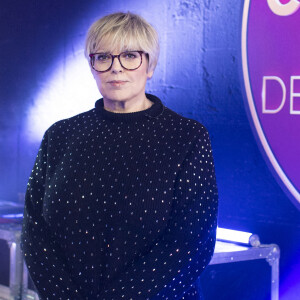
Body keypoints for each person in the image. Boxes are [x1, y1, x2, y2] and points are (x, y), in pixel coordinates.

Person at [21, 12, 218, 300]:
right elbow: (35, 230)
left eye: (129, 55)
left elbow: (190, 244)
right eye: (103, 57)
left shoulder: (187, 137)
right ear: (92, 66)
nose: (116, 68)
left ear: (150, 65)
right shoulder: (60, 135)